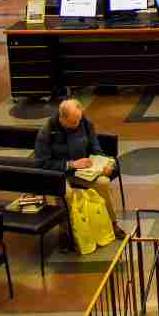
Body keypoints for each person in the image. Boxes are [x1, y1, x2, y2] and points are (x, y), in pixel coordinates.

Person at [35, 99, 124, 245]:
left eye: (78, 120)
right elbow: (42, 163)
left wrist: (105, 165)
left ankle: (112, 223)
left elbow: (96, 149)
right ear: (62, 117)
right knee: (67, 193)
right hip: (59, 173)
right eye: (72, 122)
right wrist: (71, 164)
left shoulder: (85, 123)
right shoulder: (47, 131)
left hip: (82, 171)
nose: (77, 125)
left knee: (103, 183)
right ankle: (66, 231)